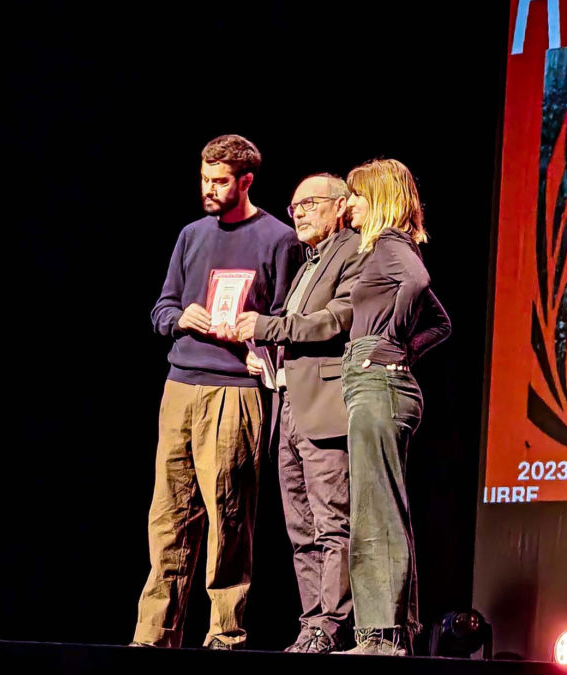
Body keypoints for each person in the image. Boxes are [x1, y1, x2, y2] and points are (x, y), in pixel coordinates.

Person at [132, 134, 303, 650]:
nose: (209, 188)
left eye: (220, 181)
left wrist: (264, 349)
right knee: (167, 515)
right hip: (181, 384)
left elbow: (291, 321)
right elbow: (161, 308)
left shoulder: (279, 238)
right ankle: (152, 636)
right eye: (205, 178)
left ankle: (224, 637)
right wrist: (178, 317)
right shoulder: (191, 234)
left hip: (235, 390)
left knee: (228, 516)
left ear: (246, 180)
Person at [234, 173, 367, 653]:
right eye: (294, 208)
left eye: (310, 203)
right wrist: (270, 361)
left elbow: (337, 320)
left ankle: (332, 625)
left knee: (333, 523)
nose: (300, 213)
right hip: (289, 404)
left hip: (326, 408)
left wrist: (270, 327)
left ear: (339, 206)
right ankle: (312, 623)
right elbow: (300, 335)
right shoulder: (309, 262)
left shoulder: (354, 251)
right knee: (300, 529)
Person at [340, 158, 451, 656]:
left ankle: (380, 638)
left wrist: (386, 337)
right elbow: (442, 324)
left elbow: (419, 283)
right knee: (384, 510)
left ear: (379, 199)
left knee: (374, 511)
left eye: (357, 196)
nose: (350, 205)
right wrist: (406, 344)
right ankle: (393, 634)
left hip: (377, 385)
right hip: (385, 383)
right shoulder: (391, 247)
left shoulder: (389, 245)